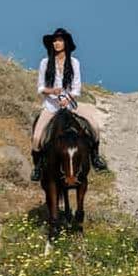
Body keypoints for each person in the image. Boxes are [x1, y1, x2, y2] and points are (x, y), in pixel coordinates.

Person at [30, 28, 108, 181]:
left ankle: (95, 157)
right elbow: (40, 87)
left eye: (60, 40)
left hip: (71, 105)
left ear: (66, 43)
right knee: (37, 137)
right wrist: (52, 91)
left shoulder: (74, 63)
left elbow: (77, 88)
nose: (56, 43)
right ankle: (38, 167)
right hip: (51, 107)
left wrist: (67, 98)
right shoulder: (45, 63)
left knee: (94, 126)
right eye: (54, 41)